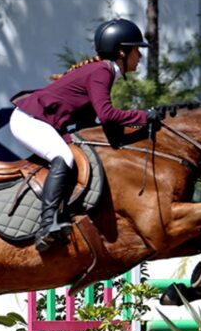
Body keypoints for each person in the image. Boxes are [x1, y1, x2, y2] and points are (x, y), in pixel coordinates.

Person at [9, 18, 162, 252]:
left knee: (78, 153)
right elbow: (108, 115)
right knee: (64, 157)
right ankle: (46, 225)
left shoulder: (104, 71)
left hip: (40, 121)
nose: (139, 56)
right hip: (28, 120)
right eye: (136, 50)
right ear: (122, 51)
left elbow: (94, 123)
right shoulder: (102, 71)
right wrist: (143, 116)